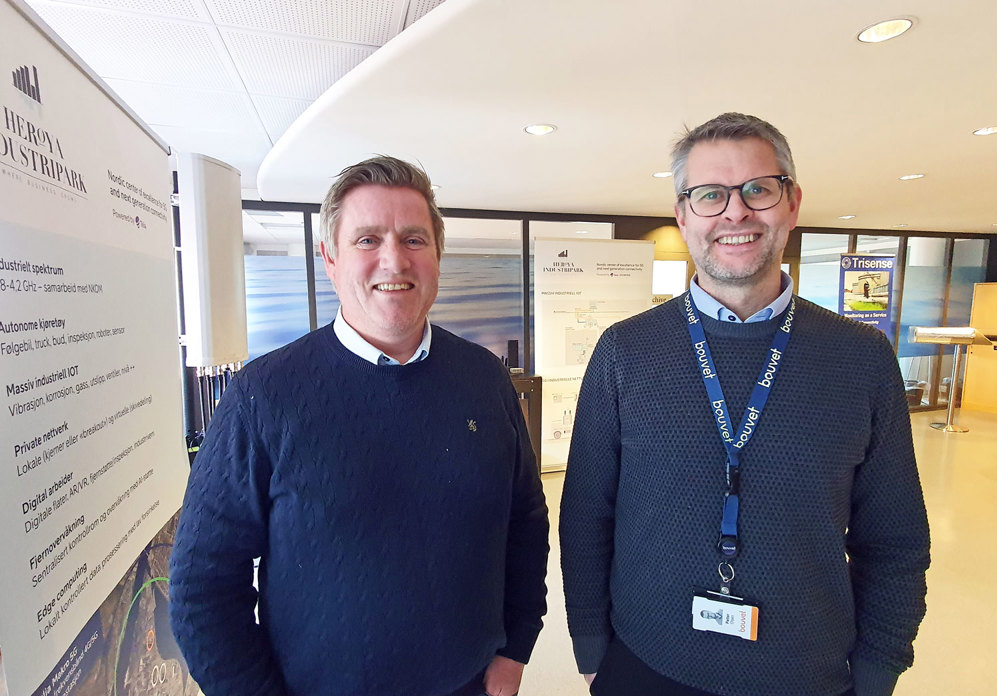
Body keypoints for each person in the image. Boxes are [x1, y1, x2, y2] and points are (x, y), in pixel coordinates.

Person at [559, 113, 930, 696]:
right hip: (645, 664)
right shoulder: (624, 352)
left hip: (809, 675)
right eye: (711, 195)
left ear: (792, 203)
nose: (736, 212)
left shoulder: (863, 359)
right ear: (683, 216)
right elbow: (585, 516)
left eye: (758, 189)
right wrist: (591, 647)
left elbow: (896, 539)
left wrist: (881, 669)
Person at [170, 156, 548, 696]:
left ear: (437, 254)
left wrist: (516, 649)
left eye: (414, 239)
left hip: (472, 685)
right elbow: (203, 585)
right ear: (329, 257)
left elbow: (526, 522)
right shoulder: (264, 394)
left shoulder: (485, 379)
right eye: (368, 240)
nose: (394, 261)